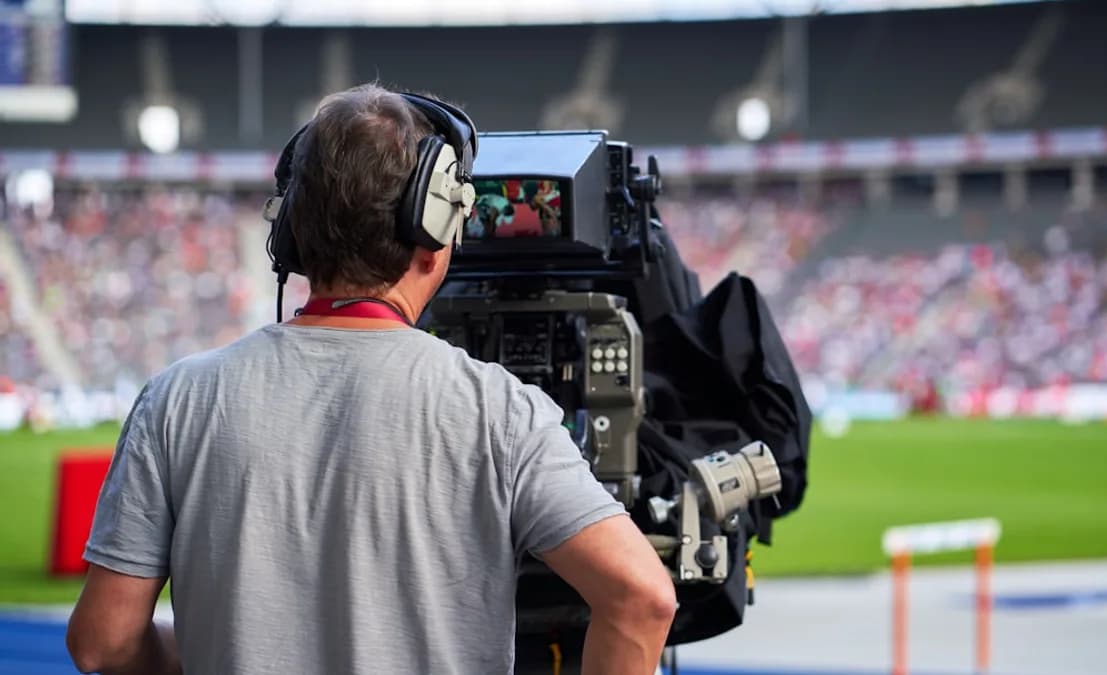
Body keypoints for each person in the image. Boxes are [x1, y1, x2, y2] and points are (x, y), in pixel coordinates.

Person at [65, 84, 676, 675]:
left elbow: (103, 643)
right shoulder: (501, 410)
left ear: (290, 235)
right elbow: (641, 597)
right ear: (436, 235)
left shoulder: (177, 399)